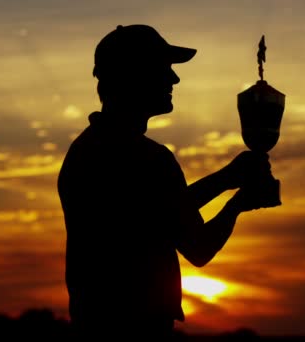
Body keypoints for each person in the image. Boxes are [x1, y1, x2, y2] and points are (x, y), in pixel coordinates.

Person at [57, 24, 277, 339]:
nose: (174, 79)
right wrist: (238, 203)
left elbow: (155, 214)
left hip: (94, 327)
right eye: (163, 69)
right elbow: (197, 246)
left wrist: (226, 178)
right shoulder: (149, 158)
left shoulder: (87, 150)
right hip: (141, 333)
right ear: (134, 74)